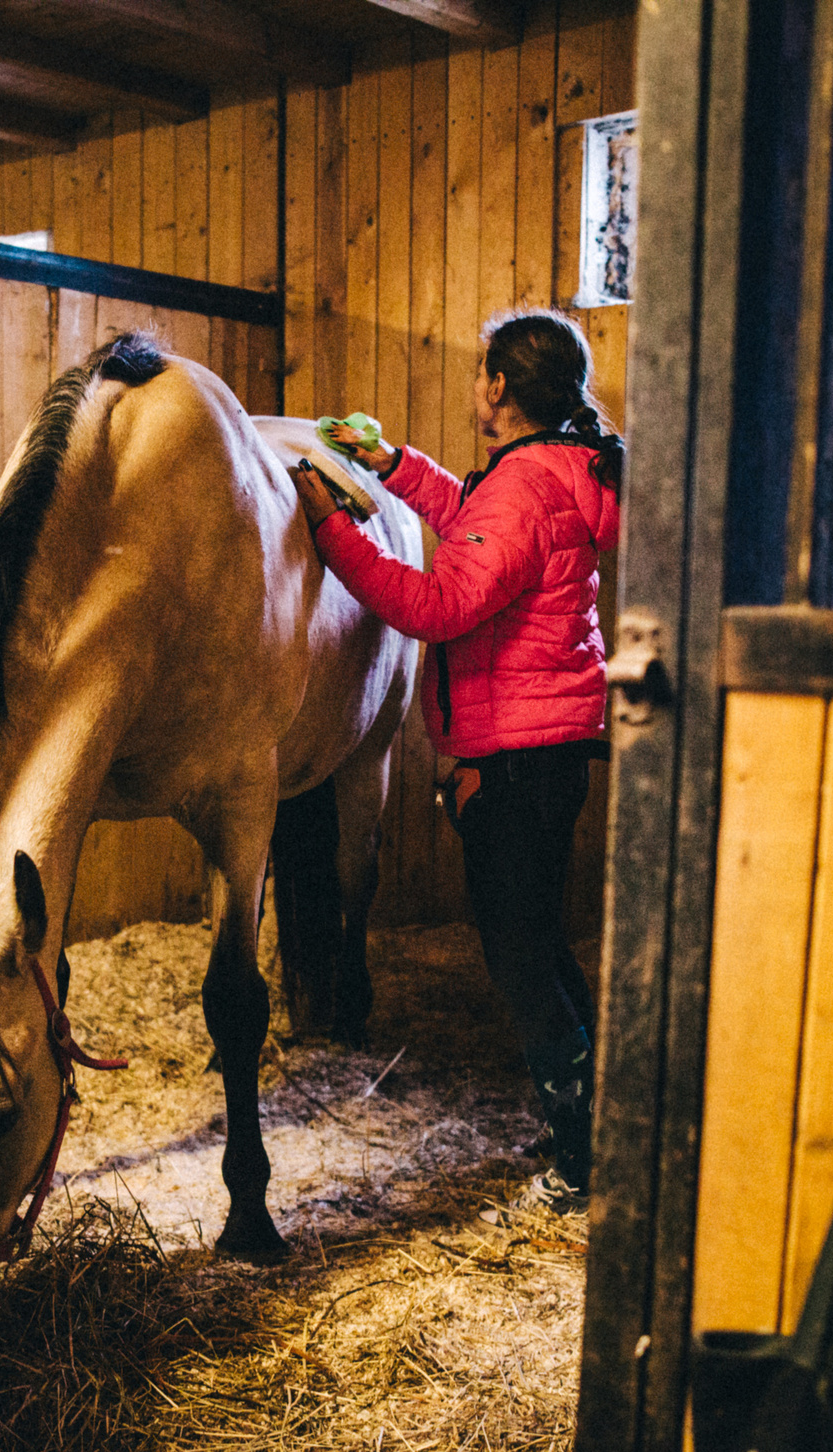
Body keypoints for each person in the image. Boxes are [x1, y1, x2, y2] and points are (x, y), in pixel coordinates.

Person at [292, 308, 622, 1196]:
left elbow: (436, 606)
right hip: (549, 745)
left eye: (482, 373)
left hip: (515, 756)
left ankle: (584, 1158)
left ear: (499, 387)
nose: (477, 384)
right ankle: (592, 1122)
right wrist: (391, 464)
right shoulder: (552, 469)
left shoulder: (522, 490)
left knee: (521, 960)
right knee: (539, 944)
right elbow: (473, 519)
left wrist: (331, 533)